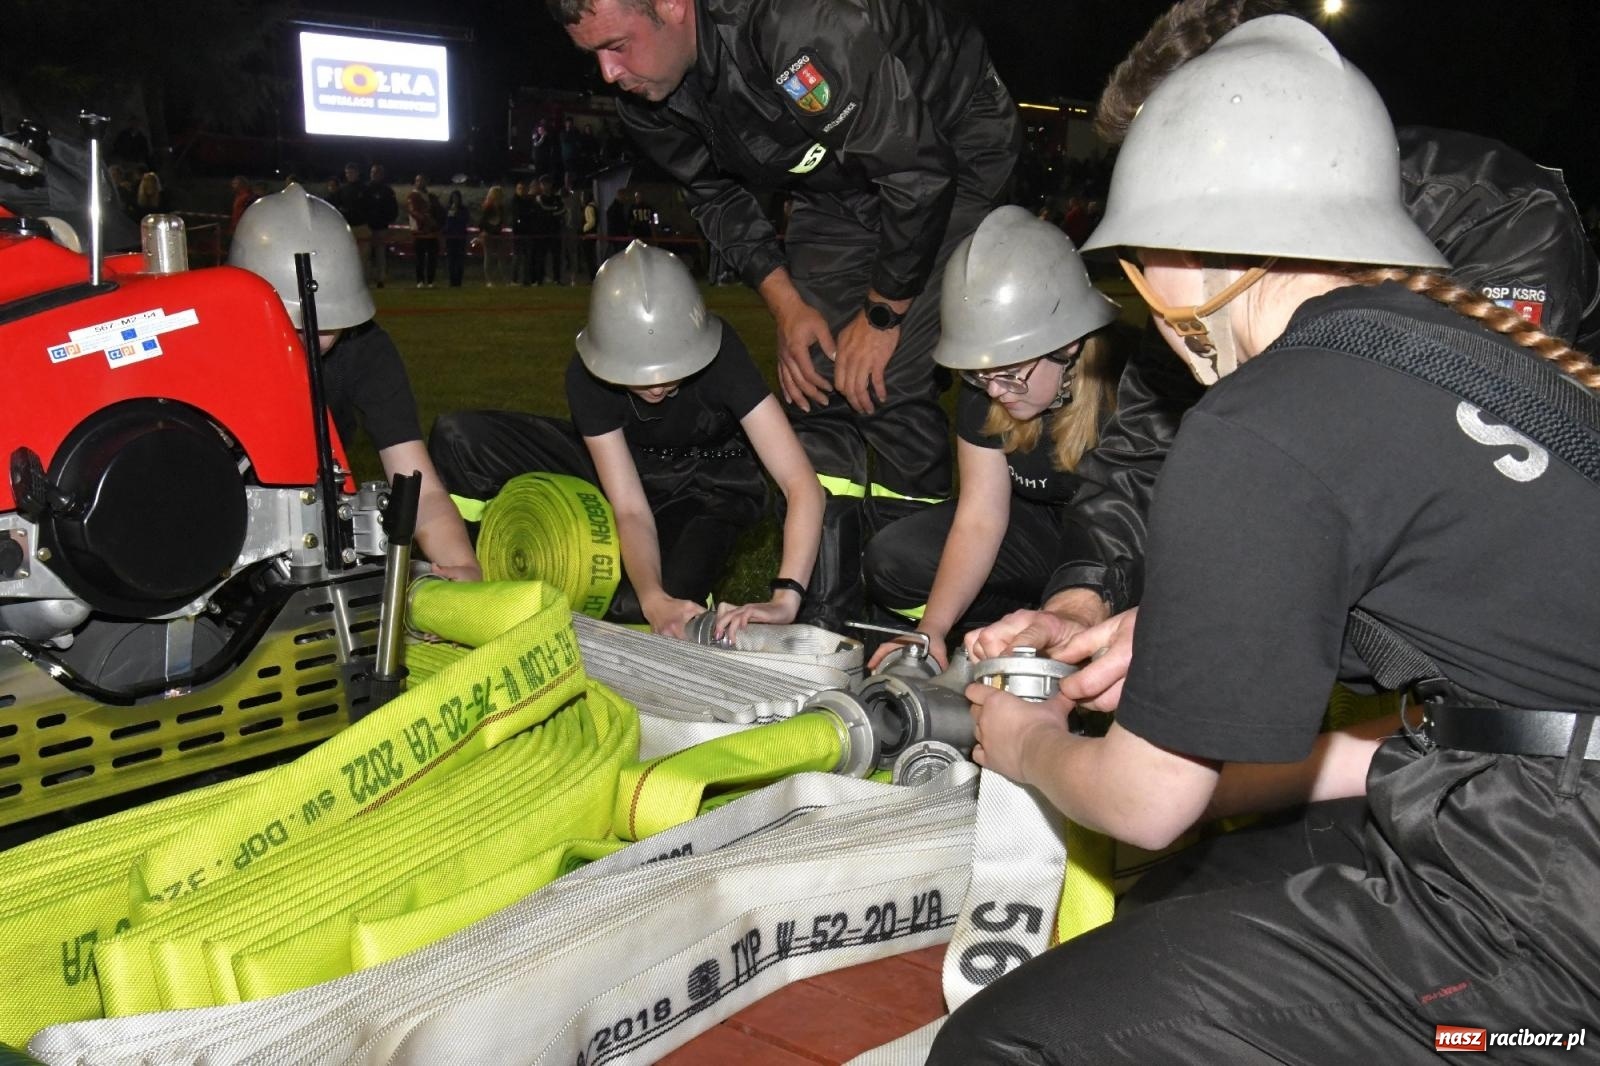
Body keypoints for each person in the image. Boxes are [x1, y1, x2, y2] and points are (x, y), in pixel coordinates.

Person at [930, 15, 1600, 1063]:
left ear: (1173, 254)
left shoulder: (1264, 420)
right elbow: (1491, 705)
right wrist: (1179, 637)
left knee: (1009, 1040)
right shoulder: (1474, 350)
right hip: (1542, 813)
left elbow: (1147, 805)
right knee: (1208, 901)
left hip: (1553, 910)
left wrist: (1024, 742)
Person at [546, 0, 1020, 631]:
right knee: (814, 372)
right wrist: (788, 306)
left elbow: (914, 171)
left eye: (618, 45)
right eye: (593, 55)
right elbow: (715, 197)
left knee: (888, 375)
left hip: (950, 148)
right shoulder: (648, 94)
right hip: (833, 178)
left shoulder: (796, 28)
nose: (608, 73)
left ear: (672, 7)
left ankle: (913, 609)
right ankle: (817, 611)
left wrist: (882, 315)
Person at [429, 241, 823, 639]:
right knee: (463, 438)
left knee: (660, 612)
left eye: (670, 368)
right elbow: (631, 507)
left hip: (708, 489)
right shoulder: (586, 375)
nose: (655, 385)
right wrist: (653, 597)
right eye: (638, 371)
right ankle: (471, 581)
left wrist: (786, 598)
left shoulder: (722, 357)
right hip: (628, 468)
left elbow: (800, 482)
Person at [862, 206, 1121, 669]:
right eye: (979, 377)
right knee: (894, 559)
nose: (995, 392)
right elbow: (981, 516)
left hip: (1116, 549)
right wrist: (932, 630)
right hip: (1039, 538)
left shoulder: (1133, 390)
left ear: (1068, 345)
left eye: (1009, 375)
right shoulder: (990, 380)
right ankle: (1012, 628)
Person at [228, 186, 481, 583]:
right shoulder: (210, 350)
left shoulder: (365, 350)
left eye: (325, 327)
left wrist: (461, 566)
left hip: (310, 534)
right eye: (291, 328)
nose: (307, 343)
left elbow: (421, 489)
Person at [363, 163, 400, 287]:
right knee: (366, 254)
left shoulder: (387, 191)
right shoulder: (366, 189)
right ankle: (365, 279)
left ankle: (380, 279)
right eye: (373, 172)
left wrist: (388, 220)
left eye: (377, 172)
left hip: (381, 227)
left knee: (380, 254)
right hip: (367, 226)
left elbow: (393, 208)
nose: (374, 175)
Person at [406, 174, 441, 288]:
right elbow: (413, 212)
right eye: (418, 180)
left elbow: (438, 211)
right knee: (419, 258)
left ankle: (431, 281)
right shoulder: (412, 196)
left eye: (422, 180)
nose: (420, 182)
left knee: (432, 257)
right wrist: (427, 221)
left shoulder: (431, 196)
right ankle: (420, 280)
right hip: (419, 231)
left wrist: (435, 223)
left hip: (431, 232)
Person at [478, 183, 510, 286]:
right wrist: (484, 232)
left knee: (502, 257)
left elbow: (502, 221)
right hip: (488, 235)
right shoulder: (488, 207)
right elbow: (481, 222)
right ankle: (489, 281)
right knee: (488, 257)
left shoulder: (501, 208)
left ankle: (506, 280)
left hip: (497, 234)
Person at [442, 188, 470, 287]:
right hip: (450, 238)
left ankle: (458, 281)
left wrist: (457, 215)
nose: (455, 200)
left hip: (460, 238)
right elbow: (446, 223)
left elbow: (465, 221)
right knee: (451, 261)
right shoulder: (448, 209)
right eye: (453, 198)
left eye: (457, 198)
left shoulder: (464, 210)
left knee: (459, 261)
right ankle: (452, 281)